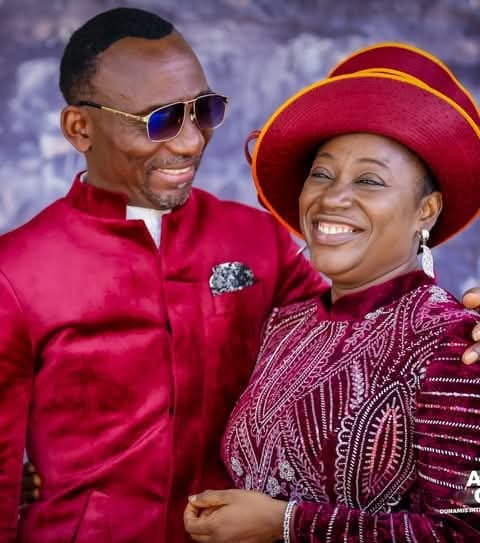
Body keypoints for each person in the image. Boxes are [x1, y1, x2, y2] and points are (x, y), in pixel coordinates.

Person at [0, 7, 327, 543]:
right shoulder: (15, 272)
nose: (191, 142)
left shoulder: (257, 238)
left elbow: (358, 338)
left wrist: (452, 333)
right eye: (160, 120)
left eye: (204, 110)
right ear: (80, 128)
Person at [184, 43, 480, 542]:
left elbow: (464, 530)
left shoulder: (455, 345)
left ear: (426, 210)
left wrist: (284, 524)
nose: (334, 196)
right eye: (321, 173)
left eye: (369, 180)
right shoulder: (285, 325)